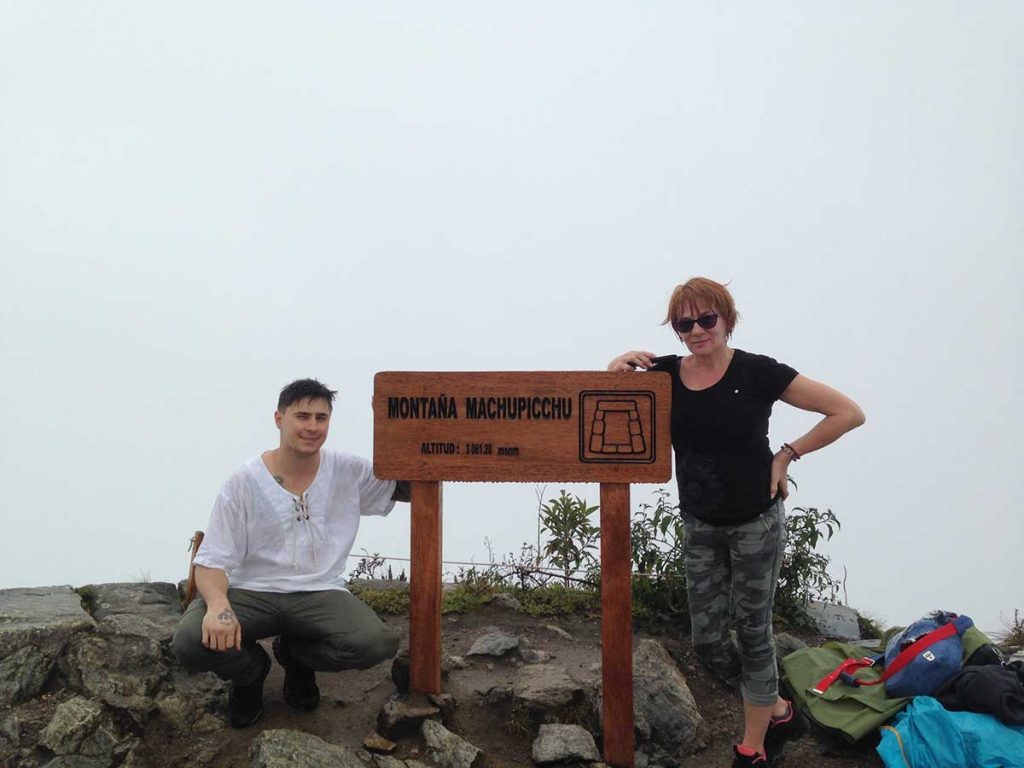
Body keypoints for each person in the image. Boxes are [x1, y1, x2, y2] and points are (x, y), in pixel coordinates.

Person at [608, 278, 865, 767]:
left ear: (727, 319)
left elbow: (847, 412)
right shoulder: (662, 375)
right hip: (699, 525)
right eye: (685, 323)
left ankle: (751, 748)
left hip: (756, 523)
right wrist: (613, 370)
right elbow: (610, 415)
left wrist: (786, 456)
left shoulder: (758, 372)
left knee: (753, 633)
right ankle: (779, 709)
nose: (697, 330)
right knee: (707, 640)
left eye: (707, 319)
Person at [171, 378, 409, 728]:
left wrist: (453, 446)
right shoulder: (244, 481)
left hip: (319, 591)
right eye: (302, 416)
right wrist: (219, 606)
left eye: (321, 418)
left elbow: (412, 483)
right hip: (252, 591)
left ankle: (295, 657)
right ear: (279, 418)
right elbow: (213, 560)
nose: (312, 427)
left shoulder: (347, 470)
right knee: (191, 641)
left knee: (373, 644)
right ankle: (250, 673)